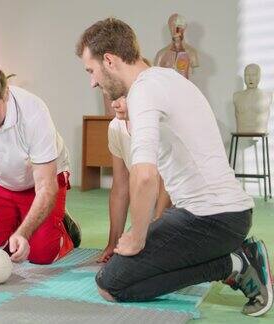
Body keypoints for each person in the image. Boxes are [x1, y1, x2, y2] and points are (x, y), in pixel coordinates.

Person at [76, 18, 271, 317]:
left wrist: (139, 235)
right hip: (221, 214)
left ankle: (235, 264)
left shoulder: (144, 91)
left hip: (213, 219)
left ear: (110, 60)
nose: (92, 81)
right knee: (133, 268)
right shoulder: (165, 79)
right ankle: (233, 259)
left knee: (111, 284)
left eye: (91, 70)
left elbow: (144, 176)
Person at [0, 63, 80, 265]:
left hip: (42, 184)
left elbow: (46, 186)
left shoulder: (34, 112)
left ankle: (65, 227)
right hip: (0, 182)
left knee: (41, 255)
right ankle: (15, 222)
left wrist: (24, 233)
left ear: (6, 94)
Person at [98, 97, 172, 263]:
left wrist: (154, 237)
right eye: (113, 98)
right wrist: (113, 243)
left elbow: (167, 186)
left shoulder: (158, 125)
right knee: (124, 260)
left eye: (122, 98)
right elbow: (120, 187)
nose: (114, 104)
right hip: (152, 208)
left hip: (182, 205)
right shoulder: (116, 127)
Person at [153, 13, 199, 79]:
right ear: (169, 28)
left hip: (185, 88)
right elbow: (156, 75)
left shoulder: (191, 53)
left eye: (179, 27)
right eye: (173, 26)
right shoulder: (161, 54)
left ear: (184, 28)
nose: (176, 31)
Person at [234, 63, 272, 133]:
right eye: (247, 75)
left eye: (253, 75)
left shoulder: (267, 95)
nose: (250, 78)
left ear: (259, 76)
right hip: (241, 130)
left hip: (261, 131)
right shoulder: (236, 96)